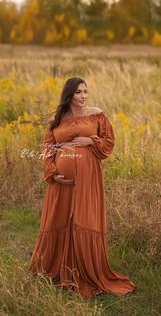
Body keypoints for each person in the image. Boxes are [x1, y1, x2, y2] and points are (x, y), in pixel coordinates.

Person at [28, 77, 136, 297]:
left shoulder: (96, 114)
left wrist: (91, 141)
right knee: (59, 219)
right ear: (69, 95)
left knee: (84, 219)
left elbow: (109, 143)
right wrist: (53, 173)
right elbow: (48, 149)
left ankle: (86, 271)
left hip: (88, 178)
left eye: (85, 92)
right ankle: (57, 269)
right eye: (78, 92)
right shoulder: (58, 119)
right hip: (61, 182)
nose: (83, 96)